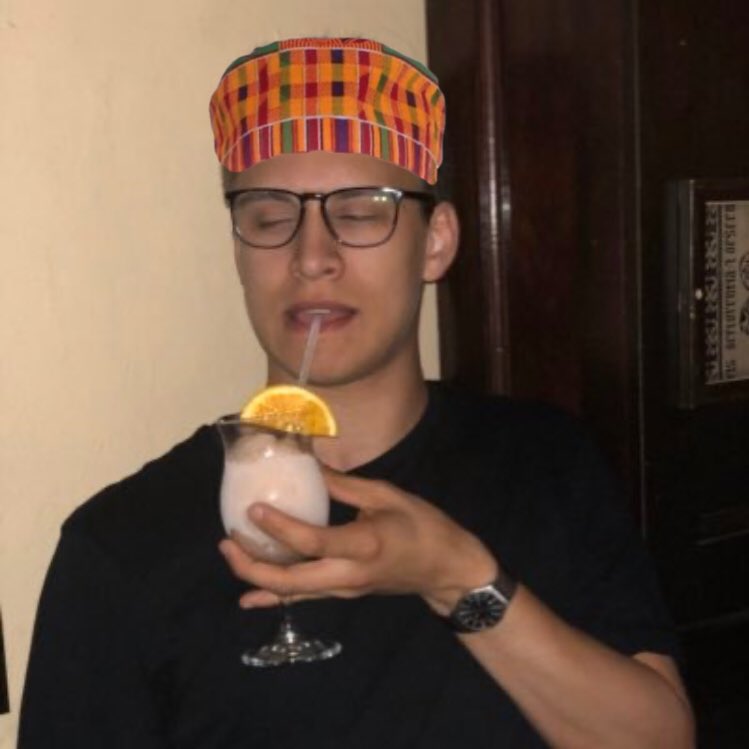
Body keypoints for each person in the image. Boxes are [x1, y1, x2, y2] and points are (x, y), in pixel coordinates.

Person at [19, 37, 695, 747]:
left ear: (435, 242)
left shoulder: (544, 461)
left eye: (363, 211)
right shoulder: (121, 544)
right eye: (270, 216)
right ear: (240, 250)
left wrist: (456, 577)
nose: (312, 257)